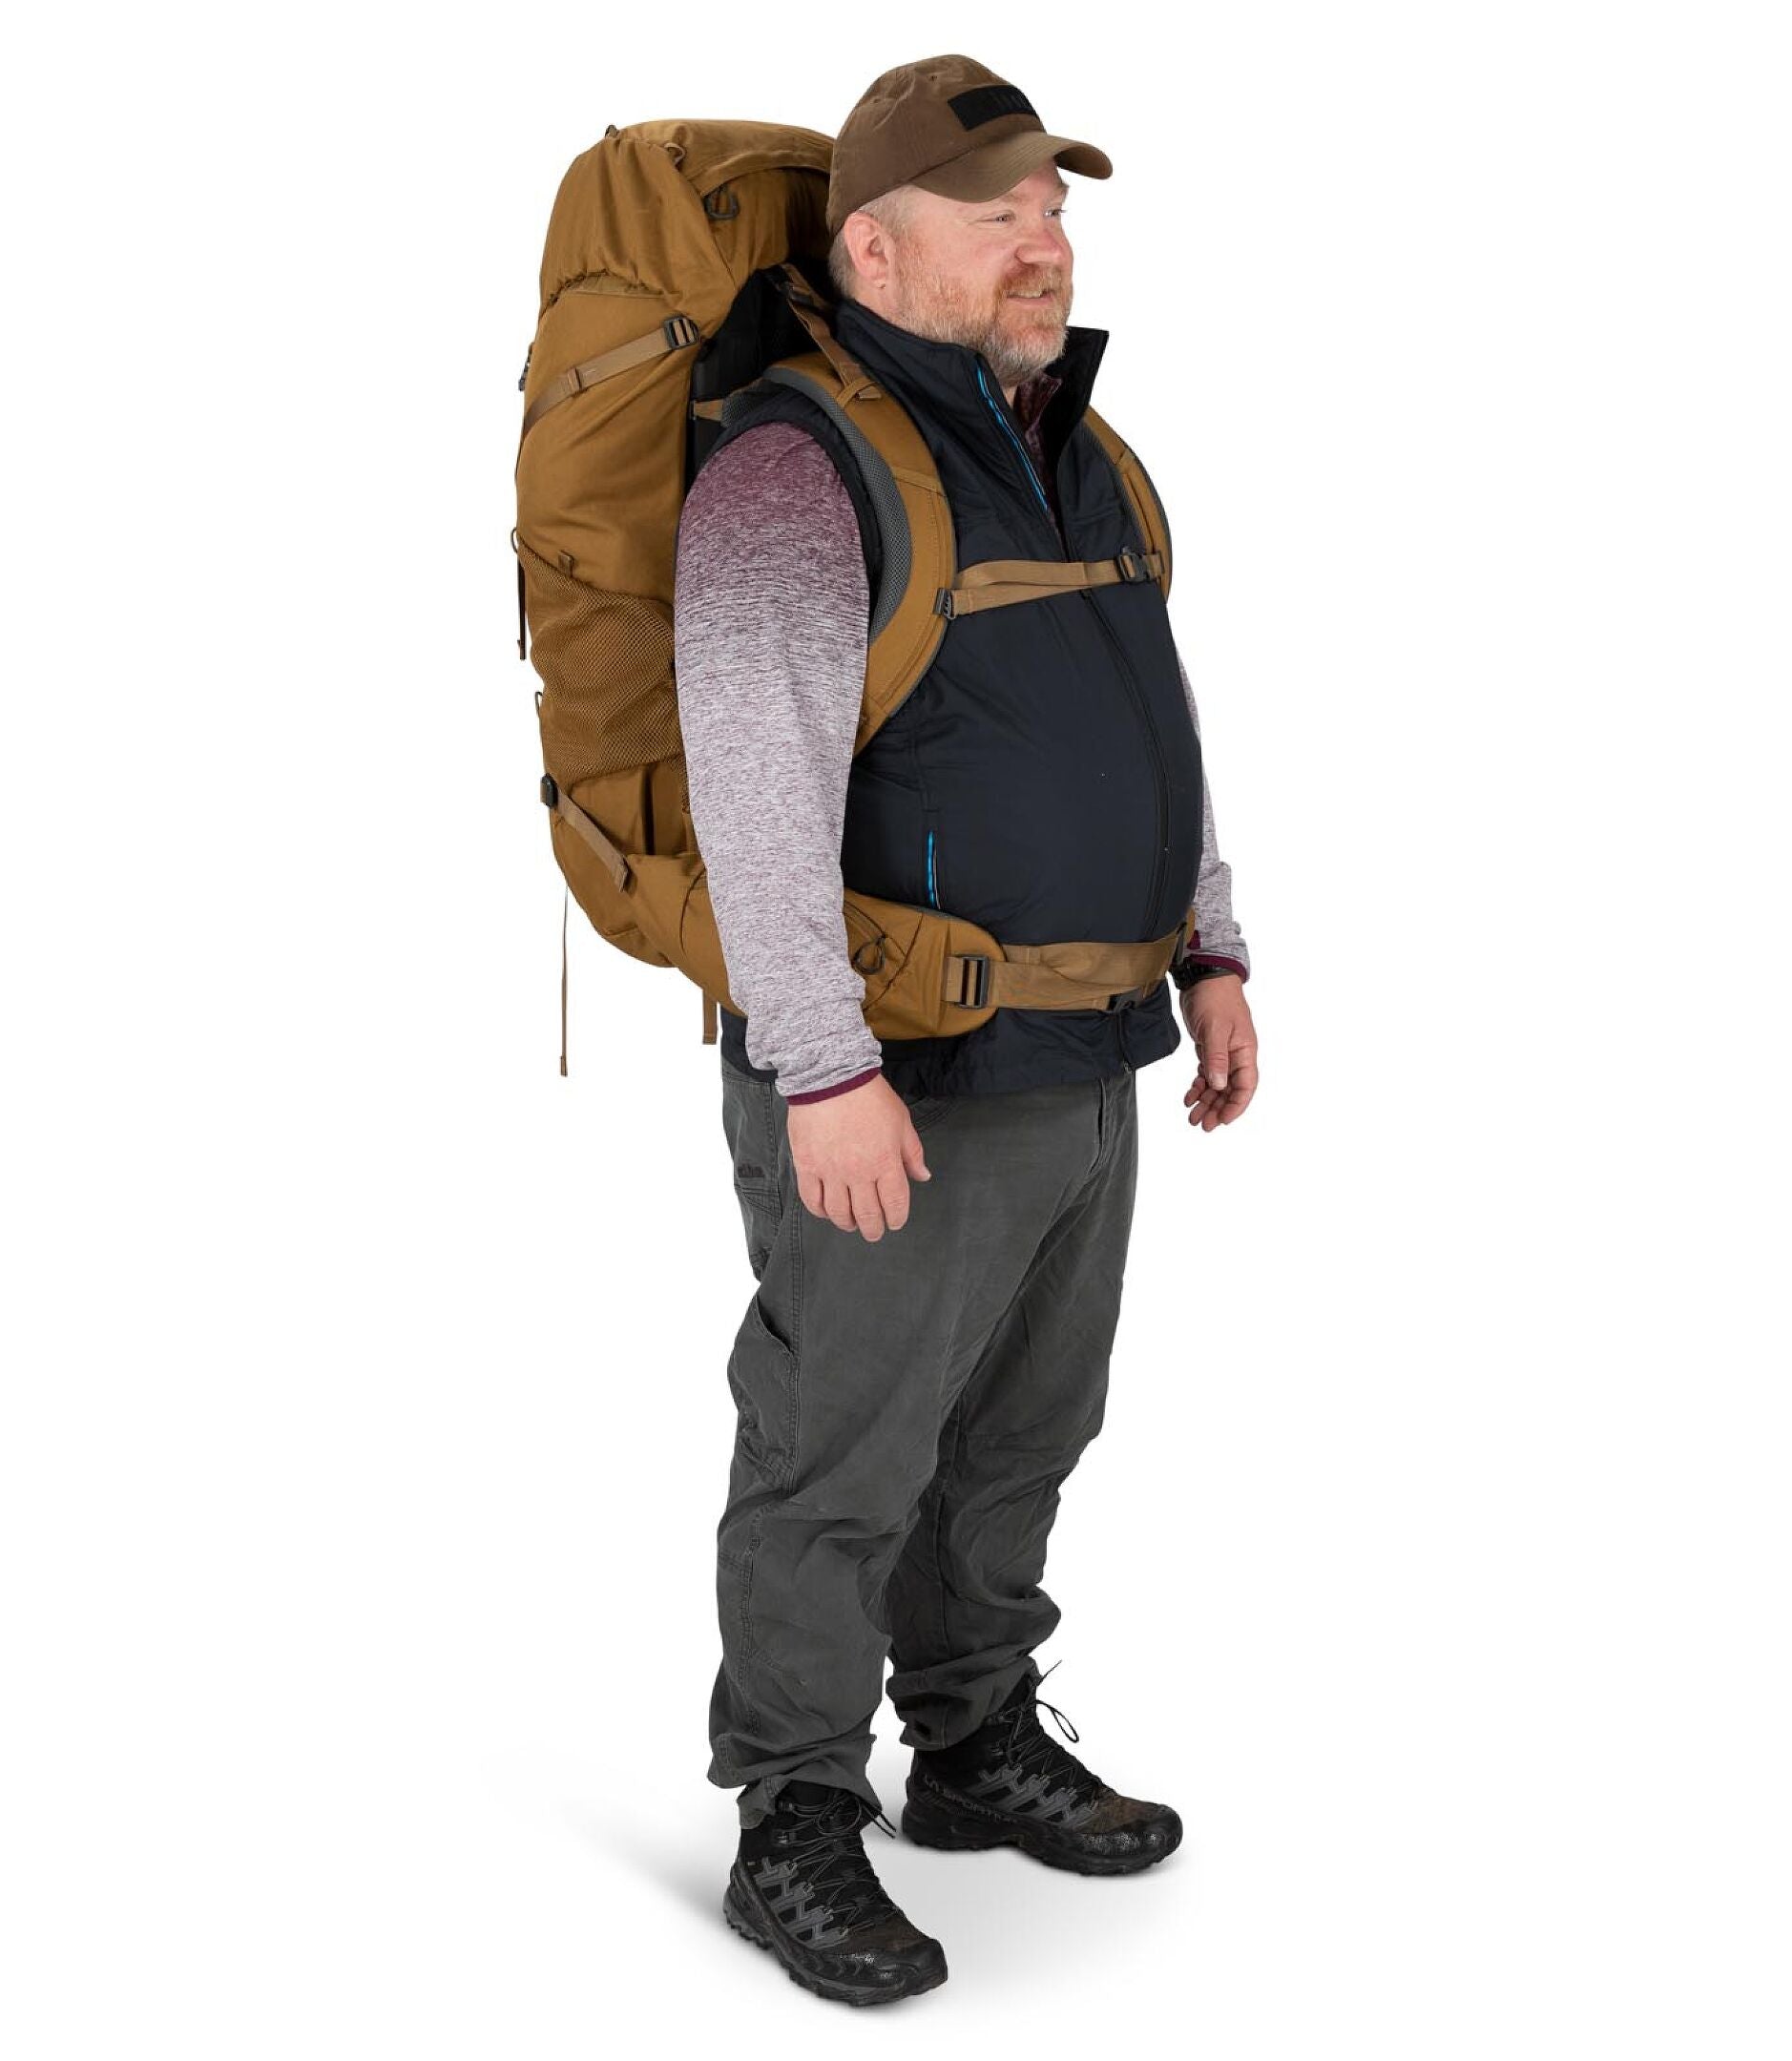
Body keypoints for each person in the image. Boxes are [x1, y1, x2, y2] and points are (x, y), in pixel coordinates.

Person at [673, 53, 1260, 2006]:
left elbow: (1148, 713)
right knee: (840, 1453)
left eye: (1053, 209)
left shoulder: (1078, 444)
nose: (1044, 242)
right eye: (996, 212)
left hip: (1087, 1060)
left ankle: (972, 1736)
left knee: (1024, 1430)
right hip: (892, 1081)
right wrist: (820, 1063)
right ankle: (790, 1811)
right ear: (872, 246)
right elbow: (753, 793)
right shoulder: (789, 466)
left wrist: (1210, 947)